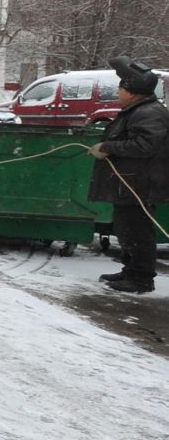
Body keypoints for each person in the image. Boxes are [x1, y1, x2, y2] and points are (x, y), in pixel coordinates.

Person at [90, 57, 168, 294]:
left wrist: (109, 148)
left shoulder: (149, 113)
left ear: (133, 93)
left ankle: (141, 278)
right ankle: (131, 269)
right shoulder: (138, 109)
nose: (118, 92)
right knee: (127, 228)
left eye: (121, 89)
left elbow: (145, 145)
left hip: (140, 184)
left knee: (138, 230)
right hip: (131, 182)